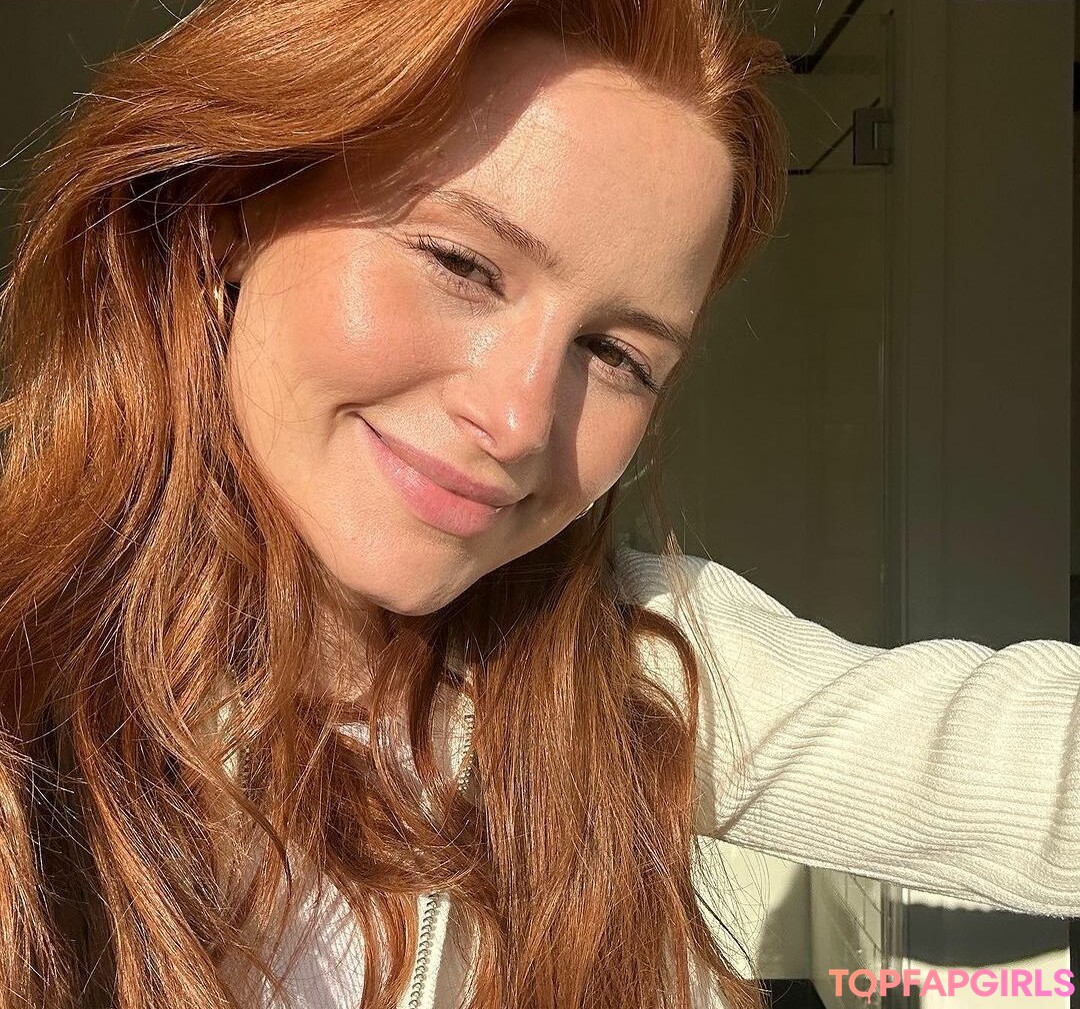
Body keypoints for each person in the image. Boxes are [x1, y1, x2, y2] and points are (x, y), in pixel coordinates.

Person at [0, 0, 1075, 1007]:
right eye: (461, 263)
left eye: (614, 353)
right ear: (236, 207)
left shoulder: (633, 667)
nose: (518, 421)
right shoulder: (27, 667)